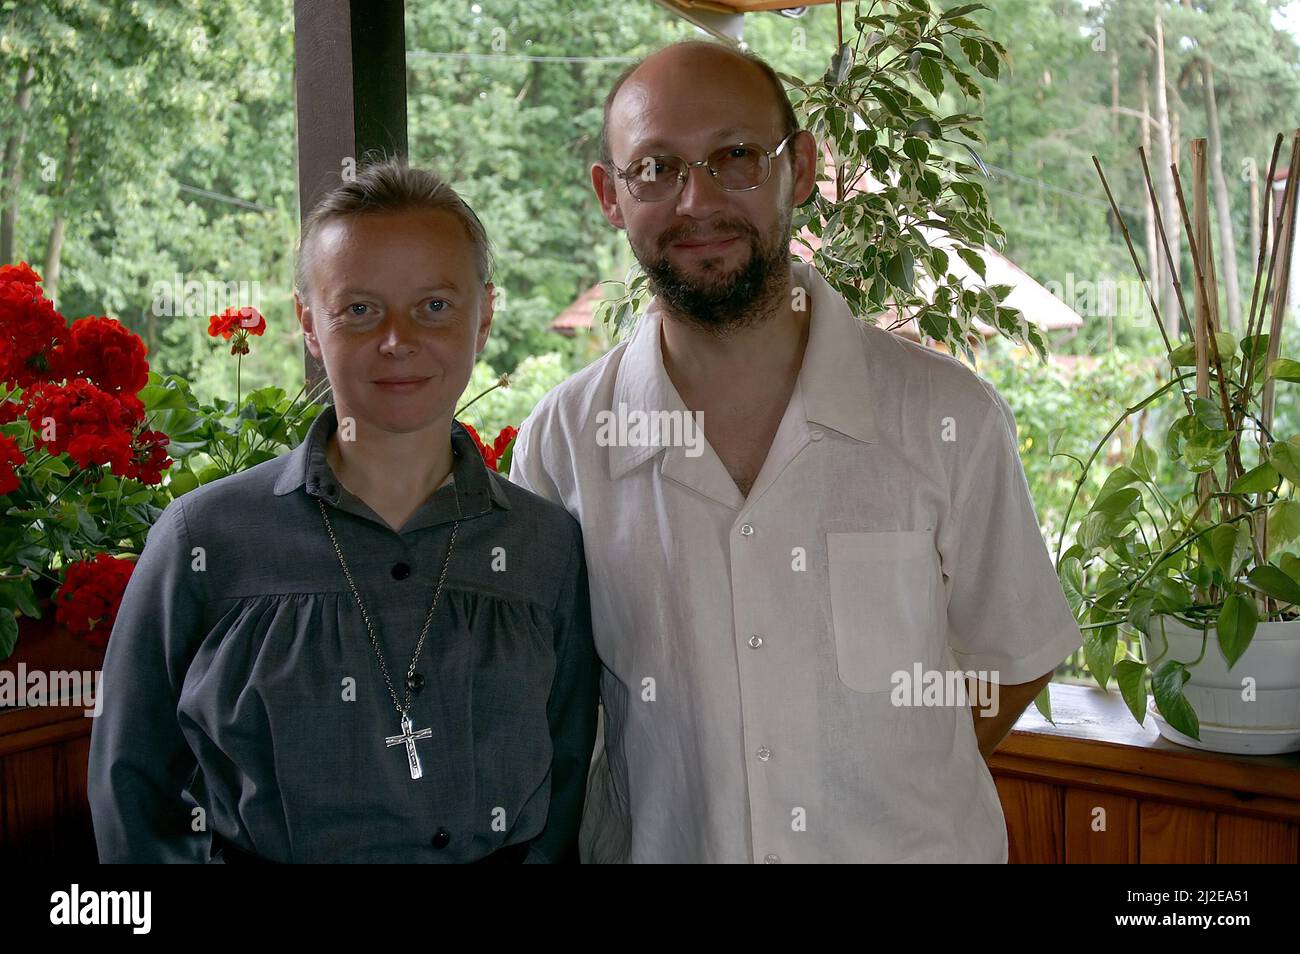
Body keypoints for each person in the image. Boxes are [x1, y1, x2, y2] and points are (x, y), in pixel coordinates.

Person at [509, 40, 1082, 863]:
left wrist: (889, 784)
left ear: (801, 168)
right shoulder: (564, 441)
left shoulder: (946, 415)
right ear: (610, 194)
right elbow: (550, 698)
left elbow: (1012, 655)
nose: (696, 200)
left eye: (735, 157)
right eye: (657, 168)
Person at [88, 158, 599, 863]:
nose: (398, 339)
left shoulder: (546, 548)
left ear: (484, 318)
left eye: (435, 306)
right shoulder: (203, 540)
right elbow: (132, 785)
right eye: (360, 309)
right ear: (307, 323)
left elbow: (567, 776)